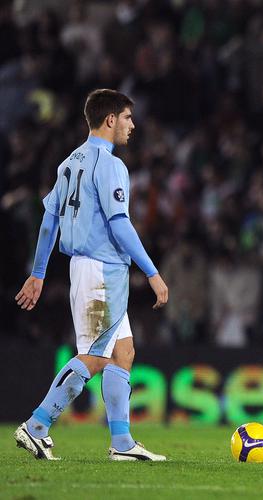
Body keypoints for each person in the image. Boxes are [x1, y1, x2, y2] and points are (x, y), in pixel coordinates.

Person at [13, 89, 169, 461]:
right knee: (95, 357)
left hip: (88, 268)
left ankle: (122, 443)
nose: (133, 125)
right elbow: (120, 224)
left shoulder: (68, 163)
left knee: (123, 353)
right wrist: (152, 272)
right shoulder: (111, 164)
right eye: (128, 117)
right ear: (110, 119)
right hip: (101, 271)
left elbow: (49, 222)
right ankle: (37, 425)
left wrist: (38, 273)